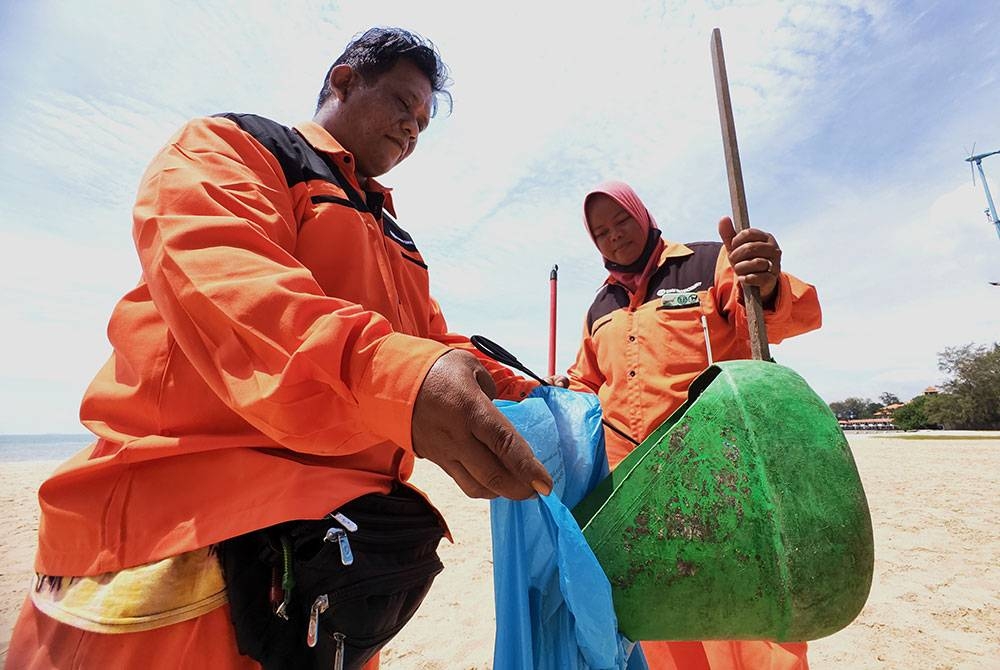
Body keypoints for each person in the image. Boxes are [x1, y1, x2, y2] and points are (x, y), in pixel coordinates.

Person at [8, 27, 552, 670]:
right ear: (345, 80)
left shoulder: (396, 238)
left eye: (423, 125)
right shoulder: (233, 149)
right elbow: (235, 289)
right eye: (404, 106)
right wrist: (403, 378)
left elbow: (430, 346)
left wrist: (538, 396)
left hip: (338, 568)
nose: (411, 131)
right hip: (179, 552)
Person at [553, 181, 822, 670]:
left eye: (622, 222)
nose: (614, 237)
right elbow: (583, 385)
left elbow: (780, 317)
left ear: (644, 216)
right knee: (662, 631)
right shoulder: (599, 308)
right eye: (601, 233)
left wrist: (765, 284)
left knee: (750, 632)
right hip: (633, 494)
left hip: (722, 478)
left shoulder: (708, 261)